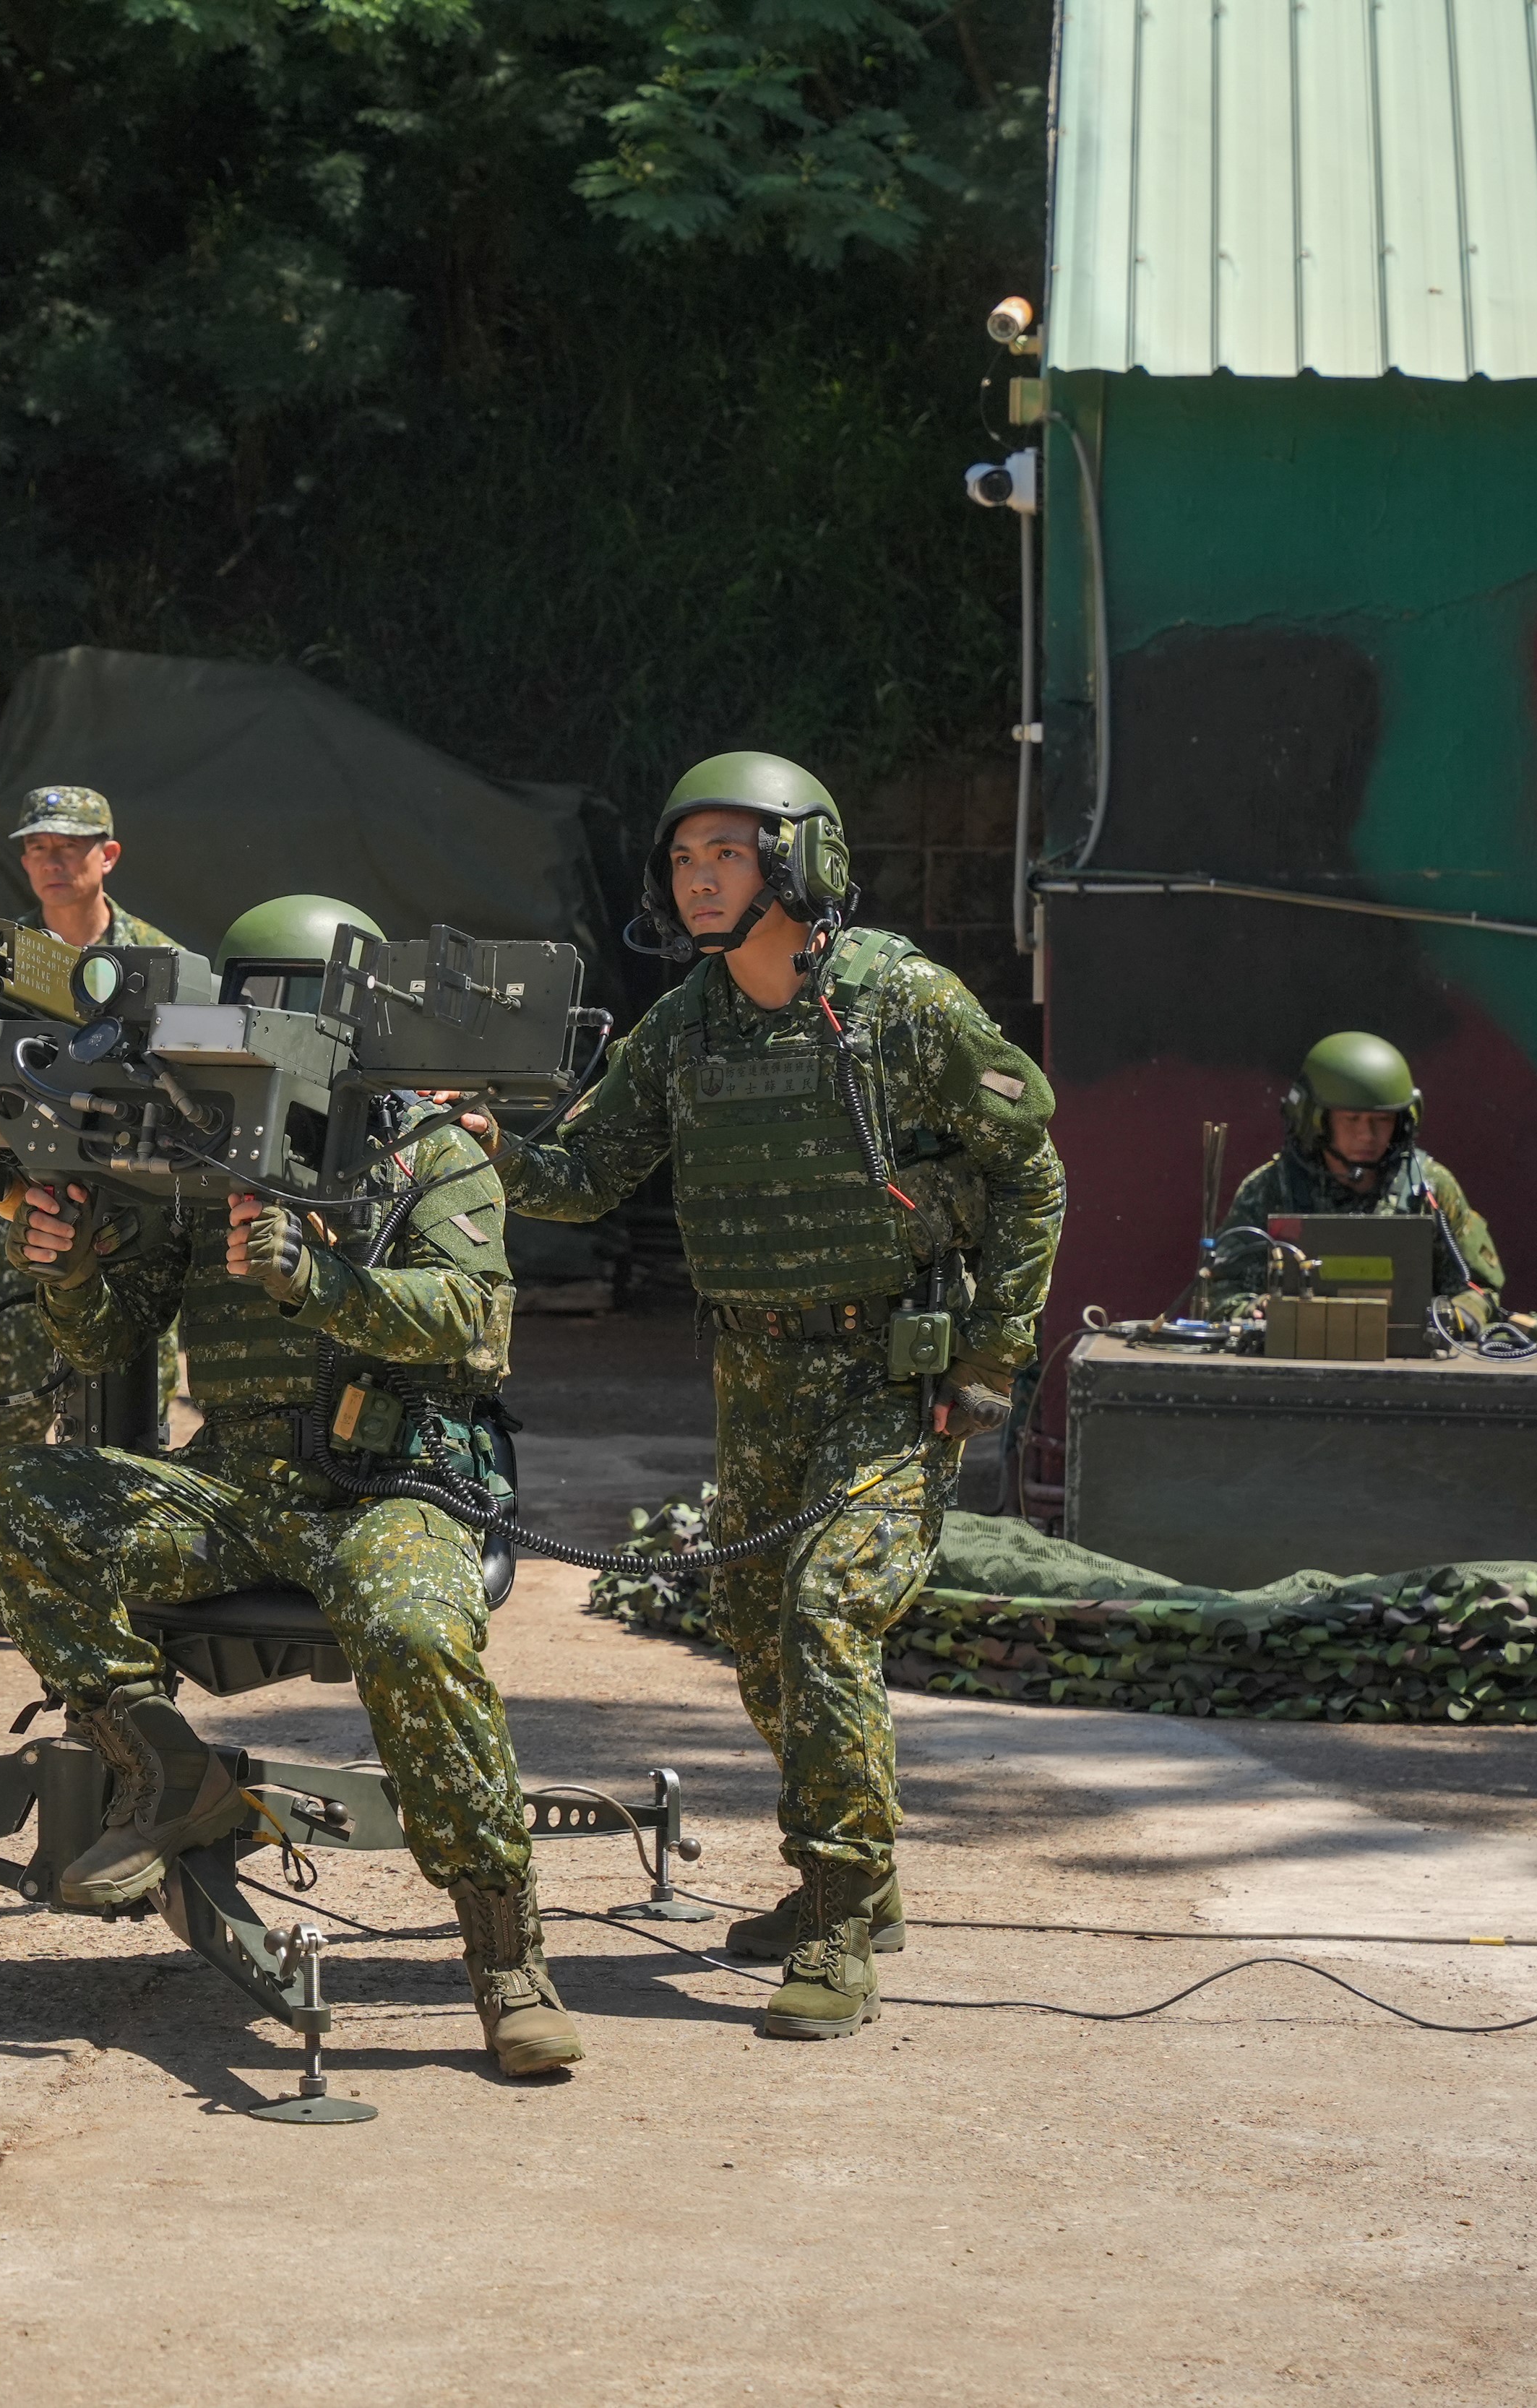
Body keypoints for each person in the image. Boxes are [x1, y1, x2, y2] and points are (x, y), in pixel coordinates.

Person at [480, 751, 1063, 2043]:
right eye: (684, 861)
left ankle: (842, 1913)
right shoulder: (685, 1025)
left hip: (893, 1375)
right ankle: (863, 1872)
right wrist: (486, 1147)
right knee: (758, 1642)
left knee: (824, 1610)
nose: (697, 882)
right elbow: (583, 1174)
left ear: (802, 866)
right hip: (758, 1374)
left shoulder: (902, 1003)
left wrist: (992, 1355)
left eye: (727, 857)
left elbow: (1035, 1173)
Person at [0, 894, 581, 2079]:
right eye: (247, 1001)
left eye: (289, 1004)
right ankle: (166, 1768)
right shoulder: (205, 1159)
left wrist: (328, 1282)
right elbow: (114, 1338)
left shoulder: (429, 1150)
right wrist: (74, 1267)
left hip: (391, 1482)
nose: (266, 1027)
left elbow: (476, 1326)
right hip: (240, 1481)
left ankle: (508, 1958)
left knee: (411, 1626)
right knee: (22, 1502)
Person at [0, 785, 179, 1460]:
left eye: (68, 845)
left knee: (138, 1434)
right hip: (27, 1227)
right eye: (37, 847)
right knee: (13, 1430)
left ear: (108, 854)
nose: (51, 860)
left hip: (139, 1233)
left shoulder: (161, 962)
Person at [1200, 1032, 1504, 1332]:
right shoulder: (1270, 1188)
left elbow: (1480, 1289)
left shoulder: (1430, 1188)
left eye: (1381, 1121)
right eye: (1351, 1120)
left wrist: (1457, 1317)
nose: (1367, 1135)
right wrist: (1255, 1310)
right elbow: (1223, 1292)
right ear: (1317, 1120)